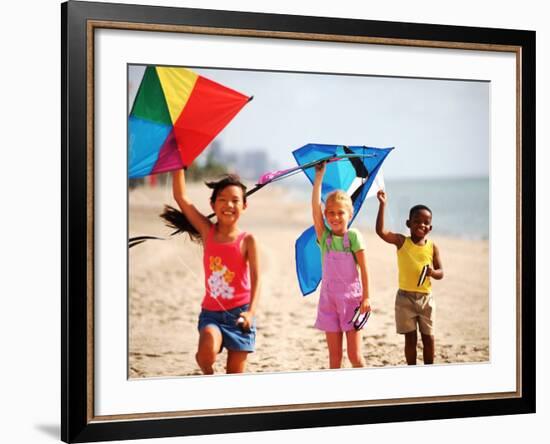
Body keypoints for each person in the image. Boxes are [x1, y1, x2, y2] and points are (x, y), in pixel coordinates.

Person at [167, 168, 260, 375]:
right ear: (212, 204)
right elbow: (181, 197)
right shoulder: (207, 231)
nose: (228, 205)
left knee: (234, 375)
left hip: (240, 316)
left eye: (235, 200)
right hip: (212, 315)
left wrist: (251, 313)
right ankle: (208, 373)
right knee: (206, 349)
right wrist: (178, 165)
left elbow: (256, 278)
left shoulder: (248, 240)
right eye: (222, 199)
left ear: (244, 206)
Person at [311, 162, 371, 369]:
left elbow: (364, 269)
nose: (335, 217)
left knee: (355, 357)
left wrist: (367, 297)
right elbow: (314, 209)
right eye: (331, 213)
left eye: (340, 213)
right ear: (326, 215)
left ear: (350, 214)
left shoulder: (353, 237)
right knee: (334, 360)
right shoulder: (325, 238)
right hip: (328, 302)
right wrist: (319, 176)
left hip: (352, 302)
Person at [375, 189, 444, 365]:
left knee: (429, 338)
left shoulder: (432, 247)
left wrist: (432, 273)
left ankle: (429, 369)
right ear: (408, 223)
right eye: (417, 221)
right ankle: (411, 370)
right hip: (404, 299)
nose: (422, 225)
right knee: (410, 339)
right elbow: (381, 231)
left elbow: (441, 273)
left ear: (431, 227)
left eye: (426, 223)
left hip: (426, 299)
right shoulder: (401, 241)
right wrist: (383, 205)